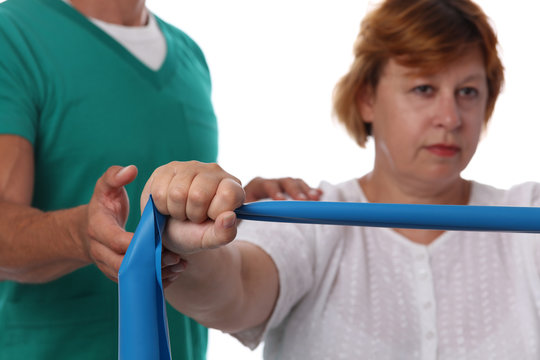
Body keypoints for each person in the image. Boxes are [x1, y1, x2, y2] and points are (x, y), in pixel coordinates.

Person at [140, 0, 540, 359]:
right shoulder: (308, 217)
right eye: (423, 88)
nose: (450, 118)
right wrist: (190, 246)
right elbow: (234, 292)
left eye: (468, 91)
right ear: (367, 98)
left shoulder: (527, 216)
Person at [0, 0, 321, 358]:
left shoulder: (189, 56)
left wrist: (230, 205)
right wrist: (81, 234)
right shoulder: (10, 34)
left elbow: (169, 205)